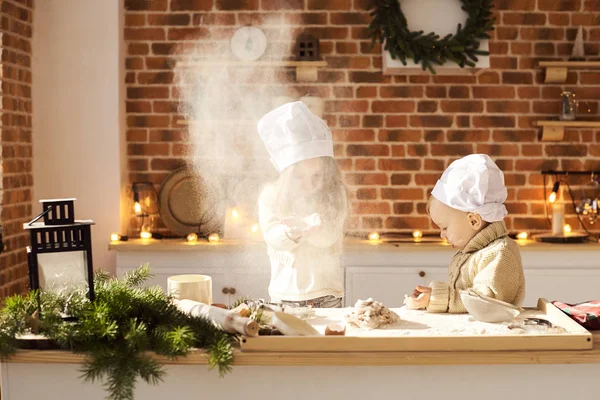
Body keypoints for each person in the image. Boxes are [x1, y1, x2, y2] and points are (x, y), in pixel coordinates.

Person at [404, 154, 525, 313]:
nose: (442, 235)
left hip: (492, 337)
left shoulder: (499, 254)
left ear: (474, 221)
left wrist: (439, 299)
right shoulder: (470, 253)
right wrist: (432, 296)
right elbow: (464, 297)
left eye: (445, 227)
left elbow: (485, 301)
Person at [257, 101, 348, 308]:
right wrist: (292, 232)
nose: (309, 184)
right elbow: (273, 237)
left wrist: (315, 229)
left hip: (327, 294)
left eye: (317, 176)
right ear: (287, 175)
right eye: (299, 177)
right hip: (285, 295)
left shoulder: (335, 194)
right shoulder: (271, 195)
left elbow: (329, 237)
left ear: (328, 171)